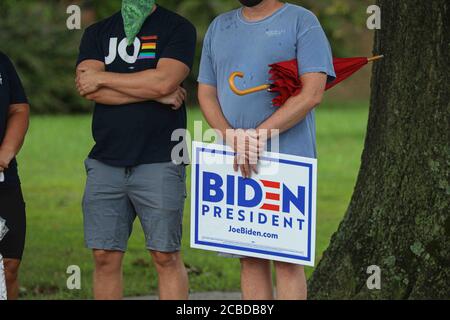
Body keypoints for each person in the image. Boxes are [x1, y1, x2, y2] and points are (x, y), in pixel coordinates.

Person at [197, 0, 335, 300]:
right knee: (249, 257)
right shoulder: (219, 27)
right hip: (235, 160)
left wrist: (257, 137)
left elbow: (312, 93)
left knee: (287, 260)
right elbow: (206, 92)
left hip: (289, 159)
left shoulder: (302, 21)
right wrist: (233, 138)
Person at [75, 1, 196, 300]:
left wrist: (103, 77)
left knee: (164, 255)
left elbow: (165, 80)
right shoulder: (97, 32)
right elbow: (87, 88)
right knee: (104, 254)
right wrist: (155, 94)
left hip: (162, 159)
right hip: (105, 161)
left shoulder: (178, 28)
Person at [0, 52, 30, 300]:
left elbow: (18, 108)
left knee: (8, 265)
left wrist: (5, 154)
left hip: (4, 178)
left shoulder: (2, 61)